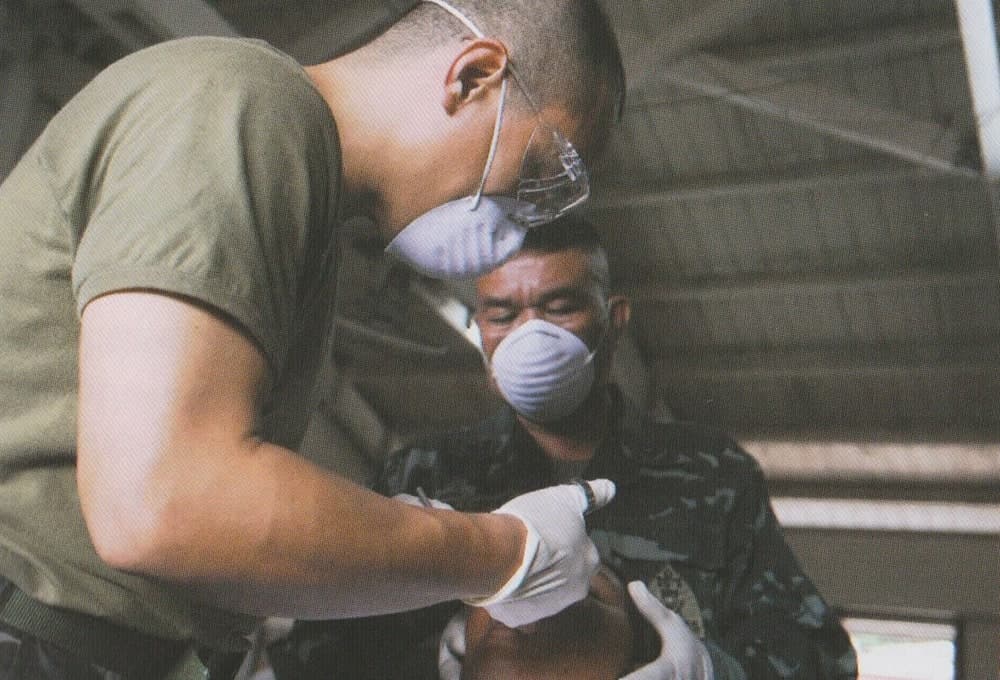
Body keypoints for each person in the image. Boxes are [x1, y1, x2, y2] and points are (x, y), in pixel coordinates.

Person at [0, 1, 627, 678]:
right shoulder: (246, 105)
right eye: (538, 171)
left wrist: (384, 529)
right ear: (473, 77)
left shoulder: (301, 199)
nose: (520, 221)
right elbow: (166, 504)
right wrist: (500, 553)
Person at [269, 215, 860, 679]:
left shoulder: (711, 475)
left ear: (614, 318)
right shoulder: (428, 474)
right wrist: (430, 662)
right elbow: (313, 655)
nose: (530, 337)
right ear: (480, 332)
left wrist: (708, 670)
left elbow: (821, 661)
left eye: (560, 307)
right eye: (502, 314)